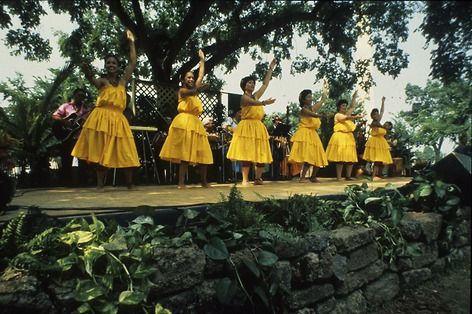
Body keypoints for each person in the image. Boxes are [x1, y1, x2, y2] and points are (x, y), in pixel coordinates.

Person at [71, 30, 140, 191]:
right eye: (108, 63)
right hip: (101, 119)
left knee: (125, 150)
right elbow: (92, 80)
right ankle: (100, 184)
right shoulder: (102, 81)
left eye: (113, 63)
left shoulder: (123, 81)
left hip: (118, 119)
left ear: (117, 66)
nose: (111, 65)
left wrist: (131, 42)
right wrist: (87, 73)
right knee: (101, 151)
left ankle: (129, 183)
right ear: (105, 65)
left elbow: (133, 62)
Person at [159, 49, 213, 189]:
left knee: (202, 152)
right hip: (183, 123)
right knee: (184, 154)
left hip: (196, 123)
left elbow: (201, 75)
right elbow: (194, 91)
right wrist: (200, 89)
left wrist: (202, 60)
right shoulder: (182, 91)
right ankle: (181, 183)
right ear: (183, 80)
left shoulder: (194, 90)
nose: (191, 79)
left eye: (192, 77)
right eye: (188, 77)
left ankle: (204, 181)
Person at [226, 59, 277, 186]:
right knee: (246, 153)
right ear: (244, 85)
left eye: (253, 83)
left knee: (261, 153)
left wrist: (270, 69)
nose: (252, 85)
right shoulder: (244, 97)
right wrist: (265, 102)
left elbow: (265, 84)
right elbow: (253, 103)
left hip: (258, 127)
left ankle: (258, 178)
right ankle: (244, 179)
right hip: (247, 126)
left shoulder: (256, 96)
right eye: (249, 83)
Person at [288, 80, 329, 182]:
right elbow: (314, 115)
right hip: (305, 134)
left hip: (313, 134)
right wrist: (324, 115)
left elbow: (322, 100)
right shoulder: (304, 110)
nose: (311, 98)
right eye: (308, 97)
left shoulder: (312, 108)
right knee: (308, 155)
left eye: (311, 96)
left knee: (318, 154)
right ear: (303, 99)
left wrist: (325, 88)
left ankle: (313, 176)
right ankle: (302, 177)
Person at [51, 88, 91, 186]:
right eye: (79, 95)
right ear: (74, 95)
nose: (81, 97)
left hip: (80, 137)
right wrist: (65, 122)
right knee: (67, 159)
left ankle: (82, 182)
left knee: (82, 159)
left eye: (83, 96)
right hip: (67, 136)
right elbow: (55, 116)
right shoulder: (65, 106)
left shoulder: (86, 109)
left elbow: (90, 121)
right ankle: (66, 181)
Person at [326, 91, 362, 180]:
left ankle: (348, 176)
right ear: (339, 107)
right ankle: (339, 177)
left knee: (350, 158)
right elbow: (345, 118)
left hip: (349, 138)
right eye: (343, 106)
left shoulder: (347, 114)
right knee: (340, 158)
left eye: (345, 106)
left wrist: (354, 97)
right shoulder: (338, 115)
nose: (345, 107)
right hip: (340, 137)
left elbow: (353, 106)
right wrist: (355, 117)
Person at [362, 97, 393, 180]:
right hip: (375, 142)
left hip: (381, 142)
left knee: (380, 160)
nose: (377, 115)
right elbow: (377, 126)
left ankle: (377, 175)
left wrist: (382, 101)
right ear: (372, 116)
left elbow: (382, 111)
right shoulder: (374, 122)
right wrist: (383, 126)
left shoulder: (379, 121)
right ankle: (373, 175)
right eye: (374, 114)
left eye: (377, 113)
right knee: (376, 159)